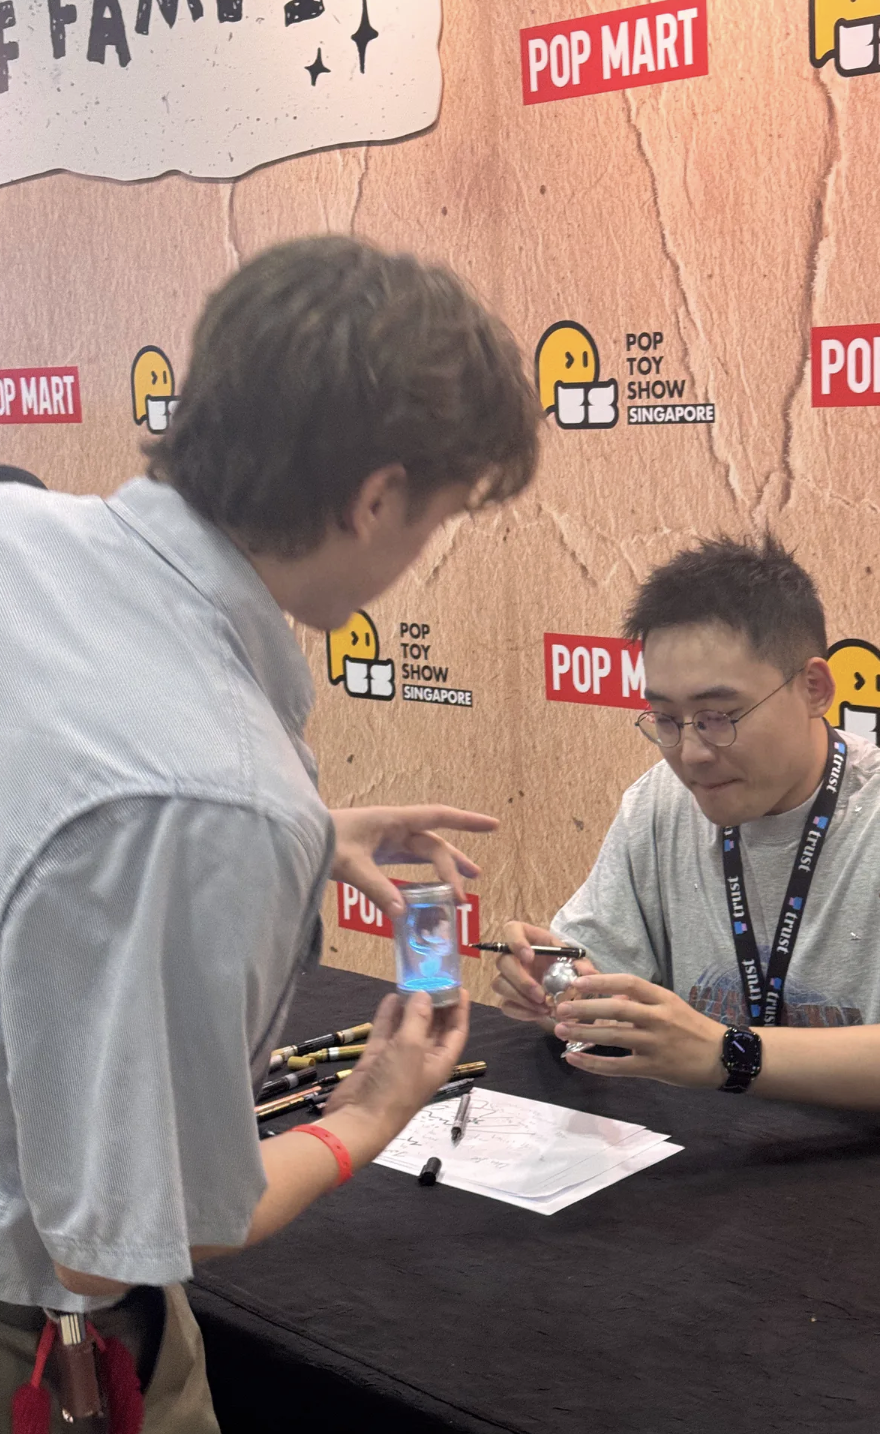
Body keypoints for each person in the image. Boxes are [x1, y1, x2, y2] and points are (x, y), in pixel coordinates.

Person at [0, 236, 540, 1431]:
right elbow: (119, 1241)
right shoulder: (213, 800)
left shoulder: (24, 541)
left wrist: (298, 834)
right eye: (441, 516)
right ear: (377, 497)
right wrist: (371, 1113)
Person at [495, 535, 880, 1117]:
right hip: (707, 1166)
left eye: (720, 716)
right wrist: (554, 980)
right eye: (666, 719)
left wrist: (727, 1053)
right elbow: (592, 974)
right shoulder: (660, 803)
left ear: (814, 689)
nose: (693, 752)